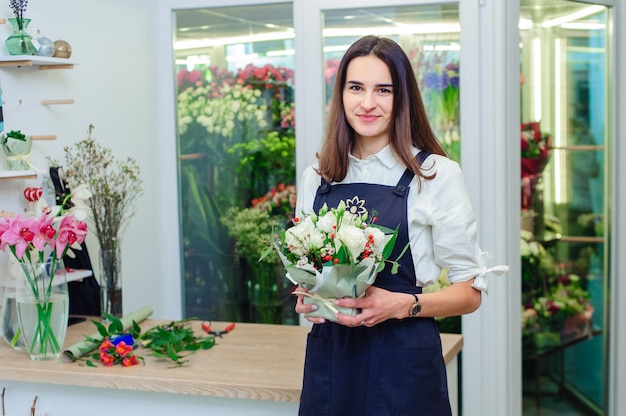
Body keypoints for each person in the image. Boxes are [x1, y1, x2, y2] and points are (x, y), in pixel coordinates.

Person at [293, 35, 507, 416]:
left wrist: (400, 305)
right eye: (356, 87)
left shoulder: (436, 174)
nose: (368, 102)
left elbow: (470, 292)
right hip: (332, 359)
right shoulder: (319, 176)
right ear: (341, 94)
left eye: (384, 90)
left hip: (404, 362)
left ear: (402, 98)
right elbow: (313, 272)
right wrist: (310, 293)